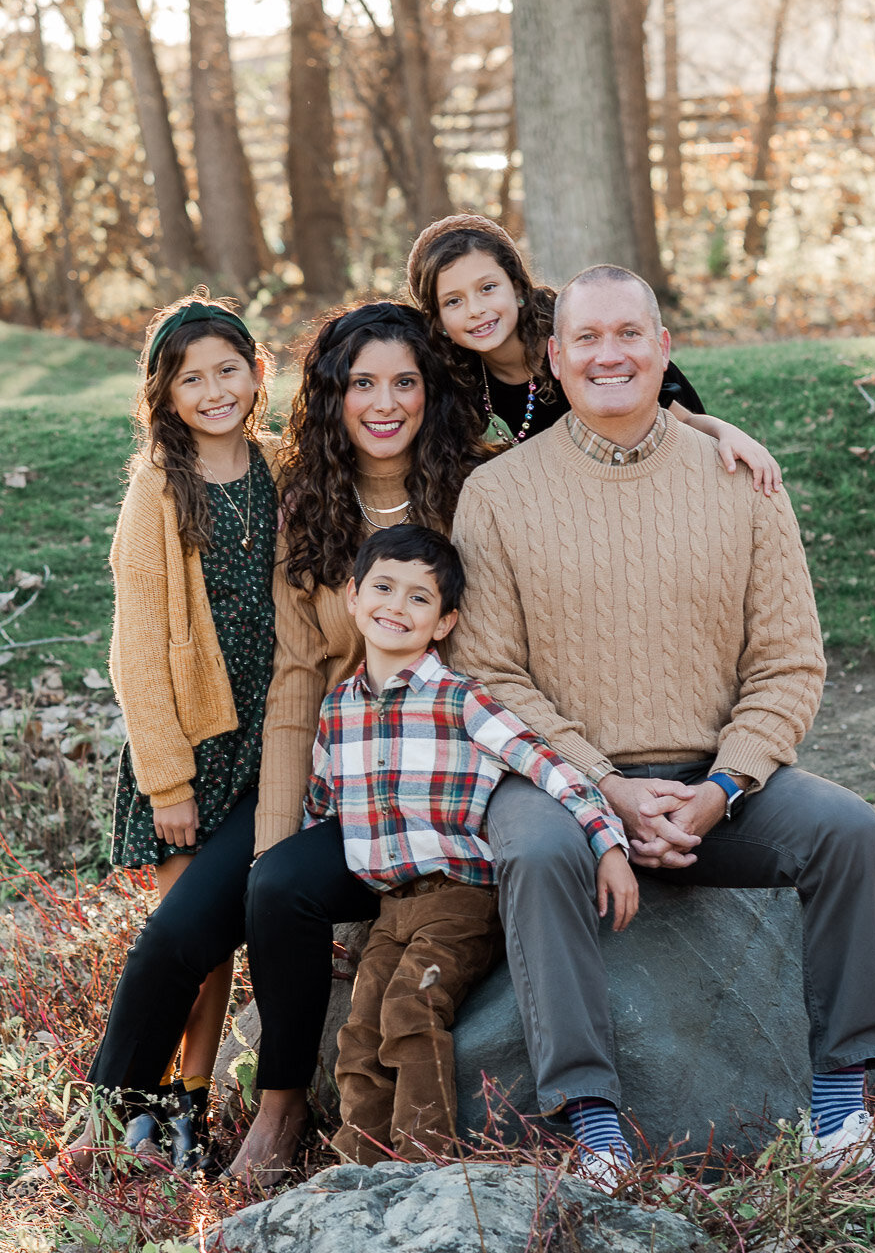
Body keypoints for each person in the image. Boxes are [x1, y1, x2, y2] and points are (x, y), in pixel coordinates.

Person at [448, 263, 875, 1183]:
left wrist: (720, 789)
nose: (609, 353)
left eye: (629, 333)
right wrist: (609, 790)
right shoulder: (501, 494)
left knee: (848, 830)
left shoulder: (741, 478)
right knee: (541, 852)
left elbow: (789, 665)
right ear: (553, 357)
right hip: (560, 785)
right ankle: (595, 1136)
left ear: (664, 348)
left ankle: (840, 1118)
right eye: (586, 337)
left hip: (721, 783)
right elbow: (490, 673)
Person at [227, 303, 487, 1186]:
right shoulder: (311, 506)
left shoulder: (480, 488)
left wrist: (702, 422)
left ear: (432, 391)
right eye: (362, 382)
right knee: (281, 885)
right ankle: (282, 1103)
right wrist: (275, 837)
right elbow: (297, 677)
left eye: (405, 382)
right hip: (366, 788)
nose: (385, 402)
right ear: (333, 394)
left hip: (462, 786)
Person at [307, 525, 634, 1167]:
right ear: (352, 598)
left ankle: (426, 1165)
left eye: (419, 599)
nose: (396, 607)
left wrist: (608, 843)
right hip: (389, 909)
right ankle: (362, 1168)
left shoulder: (461, 700)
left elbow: (551, 766)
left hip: (458, 901)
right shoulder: (337, 710)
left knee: (411, 1007)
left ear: (445, 619)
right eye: (382, 588)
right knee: (359, 1033)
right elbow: (322, 806)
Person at [43, 290, 279, 1177]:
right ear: (166, 392)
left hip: (267, 743)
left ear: (257, 375)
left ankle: (192, 1100)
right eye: (193, 378)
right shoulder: (158, 489)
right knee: (183, 938)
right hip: (188, 749)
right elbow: (135, 648)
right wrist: (167, 780)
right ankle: (131, 1112)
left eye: (228, 371)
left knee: (221, 941)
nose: (214, 390)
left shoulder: (277, 467)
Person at [406, 213, 782, 492]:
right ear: (438, 320)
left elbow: (677, 418)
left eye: (487, 288)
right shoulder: (456, 381)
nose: (475, 309)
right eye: (453, 301)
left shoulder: (586, 345)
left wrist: (725, 431)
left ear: (518, 287)